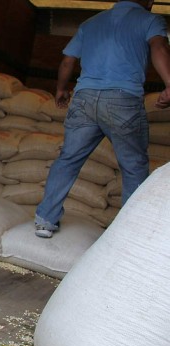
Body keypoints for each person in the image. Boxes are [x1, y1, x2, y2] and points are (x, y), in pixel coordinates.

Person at [35, 0, 170, 238]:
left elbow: (68, 60)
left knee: (68, 159)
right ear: (148, 2)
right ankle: (128, 232)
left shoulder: (91, 22)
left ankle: (45, 220)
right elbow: (159, 48)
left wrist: (60, 89)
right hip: (122, 100)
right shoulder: (150, 20)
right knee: (134, 167)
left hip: (84, 98)